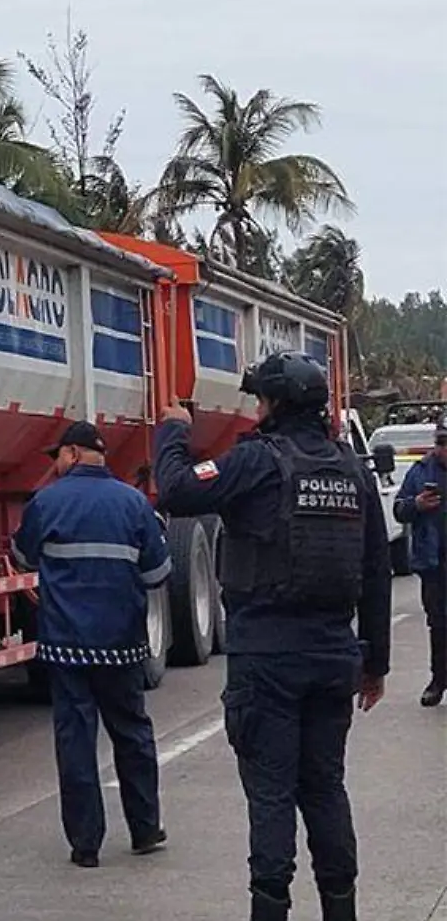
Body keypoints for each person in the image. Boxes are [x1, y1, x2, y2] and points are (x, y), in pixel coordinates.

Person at [153, 351, 392, 921]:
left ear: (276, 403)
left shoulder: (256, 461)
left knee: (272, 797)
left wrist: (174, 431)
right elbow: (377, 568)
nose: (255, 407)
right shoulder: (351, 469)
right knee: (326, 790)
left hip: (267, 661)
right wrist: (375, 663)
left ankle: (271, 909)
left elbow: (177, 490)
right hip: (334, 657)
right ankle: (341, 908)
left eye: (259, 397)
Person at [10, 421, 171, 869]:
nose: (56, 465)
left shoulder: (46, 501)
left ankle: (86, 845)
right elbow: (158, 574)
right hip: (121, 644)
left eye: (57, 456)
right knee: (133, 734)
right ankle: (145, 829)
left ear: (75, 454)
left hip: (66, 646)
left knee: (76, 741)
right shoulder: (134, 503)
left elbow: (23, 556)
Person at [392, 418, 447, 706]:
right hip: (434, 563)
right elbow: (399, 509)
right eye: (441, 442)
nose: (444, 448)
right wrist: (417, 504)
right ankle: (439, 680)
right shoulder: (420, 471)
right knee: (438, 624)